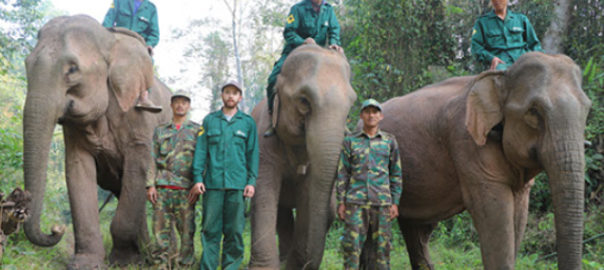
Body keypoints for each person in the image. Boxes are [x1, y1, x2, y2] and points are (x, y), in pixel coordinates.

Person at [188, 81, 259, 270]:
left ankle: (231, 267)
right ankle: (208, 267)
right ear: (222, 95)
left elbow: (252, 154)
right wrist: (198, 179)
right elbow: (201, 152)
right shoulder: (210, 121)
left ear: (240, 98)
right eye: (227, 92)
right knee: (210, 230)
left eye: (235, 93)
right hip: (213, 185)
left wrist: (251, 181)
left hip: (237, 186)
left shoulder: (247, 122)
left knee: (234, 232)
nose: (230, 96)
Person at [335, 99, 403, 270]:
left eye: (375, 112)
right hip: (355, 204)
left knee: (383, 250)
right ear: (361, 116)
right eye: (367, 112)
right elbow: (343, 173)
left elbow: (396, 173)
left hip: (382, 205)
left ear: (381, 116)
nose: (371, 115)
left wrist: (395, 202)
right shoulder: (350, 141)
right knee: (352, 249)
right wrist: (341, 202)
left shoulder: (389, 141)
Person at [264, 0, 342, 136]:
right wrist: (303, 42)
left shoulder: (328, 10)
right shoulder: (297, 9)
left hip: (318, 54)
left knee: (339, 78)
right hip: (294, 52)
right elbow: (288, 32)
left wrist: (334, 43)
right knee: (273, 79)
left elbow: (334, 29)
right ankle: (272, 119)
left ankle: (340, 121)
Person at [146, 90, 199, 268]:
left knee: (187, 234)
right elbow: (152, 159)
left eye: (184, 102)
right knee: (160, 234)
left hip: (186, 190)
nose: (180, 105)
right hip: (163, 189)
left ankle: (185, 266)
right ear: (171, 105)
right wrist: (150, 185)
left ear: (189, 106)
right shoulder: (160, 131)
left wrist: (199, 184)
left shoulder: (196, 130)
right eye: (177, 102)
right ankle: (160, 265)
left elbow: (201, 160)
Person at [102, 0, 161, 112]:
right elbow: (107, 21)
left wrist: (149, 45)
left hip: (138, 45)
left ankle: (144, 96)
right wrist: (106, 36)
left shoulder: (151, 8)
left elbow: (154, 34)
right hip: (117, 40)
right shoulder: (119, 2)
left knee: (148, 60)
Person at [471, 0, 543, 71]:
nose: (497, 1)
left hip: (523, 61)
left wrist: (539, 59)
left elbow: (534, 44)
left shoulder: (521, 19)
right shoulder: (482, 22)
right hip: (500, 64)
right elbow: (476, 47)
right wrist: (491, 58)